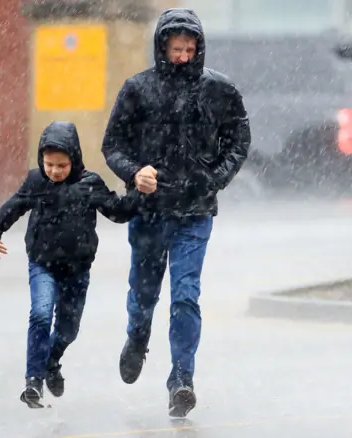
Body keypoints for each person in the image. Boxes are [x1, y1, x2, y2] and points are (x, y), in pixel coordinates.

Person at [101, 8, 251, 418]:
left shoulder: (219, 90)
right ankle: (137, 335)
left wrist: (214, 178)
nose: (183, 56)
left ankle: (181, 379)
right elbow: (112, 145)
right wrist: (135, 172)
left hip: (195, 213)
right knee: (144, 294)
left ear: (199, 48)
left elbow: (239, 140)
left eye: (189, 48)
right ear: (161, 47)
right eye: (175, 48)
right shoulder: (137, 90)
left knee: (186, 296)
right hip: (148, 212)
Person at [0, 120, 137, 409]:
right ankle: (33, 381)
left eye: (61, 166)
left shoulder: (90, 184)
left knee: (68, 330)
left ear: (74, 160)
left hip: (77, 271)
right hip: (42, 263)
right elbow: (12, 207)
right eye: (49, 164)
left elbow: (117, 212)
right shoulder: (36, 182)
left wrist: (137, 191)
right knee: (41, 314)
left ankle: (51, 361)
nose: (54, 171)